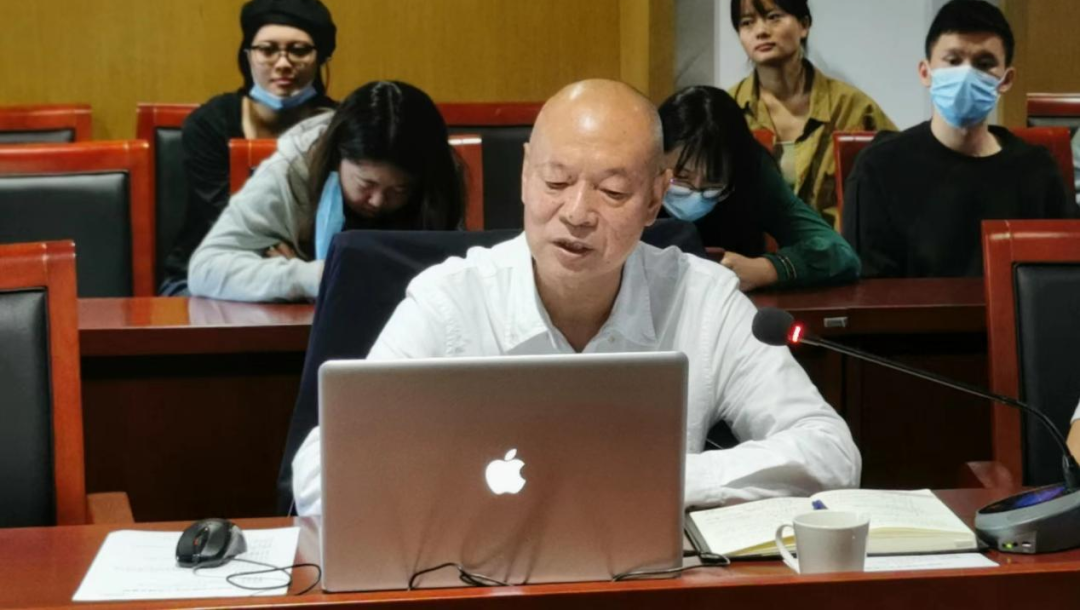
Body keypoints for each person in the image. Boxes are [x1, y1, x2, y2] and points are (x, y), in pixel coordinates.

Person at [291, 79, 861, 514]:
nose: (577, 213)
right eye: (556, 182)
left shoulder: (703, 298)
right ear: (524, 176)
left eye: (612, 191)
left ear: (655, 198)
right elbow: (320, 471)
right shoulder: (450, 300)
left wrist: (656, 479)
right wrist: (470, 487)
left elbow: (831, 452)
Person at [842, 0, 1076, 278]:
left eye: (984, 64)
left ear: (1006, 80)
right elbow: (868, 289)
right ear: (925, 73)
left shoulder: (1037, 169)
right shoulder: (880, 167)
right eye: (953, 61)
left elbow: (1064, 274)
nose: (967, 74)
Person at [188, 80, 464, 302]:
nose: (378, 201)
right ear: (336, 156)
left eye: (400, 189)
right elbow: (205, 269)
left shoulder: (436, 177)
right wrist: (310, 277)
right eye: (365, 184)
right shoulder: (292, 169)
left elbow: (450, 273)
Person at [160, 0, 339, 294]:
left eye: (299, 50)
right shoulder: (209, 123)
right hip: (207, 275)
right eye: (267, 50)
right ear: (248, 56)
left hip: (309, 269)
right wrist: (275, 263)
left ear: (320, 58)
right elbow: (221, 214)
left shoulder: (337, 126)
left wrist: (300, 268)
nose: (283, 63)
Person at [727, 0, 895, 229]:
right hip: (751, 251)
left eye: (773, 17)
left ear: (804, 25)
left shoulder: (853, 107)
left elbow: (899, 177)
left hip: (836, 250)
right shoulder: (727, 110)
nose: (760, 31)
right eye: (747, 22)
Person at [659, 86, 859, 291]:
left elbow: (839, 251)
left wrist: (770, 269)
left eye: (714, 181)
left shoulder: (752, 172)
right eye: (682, 176)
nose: (696, 192)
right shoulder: (642, 168)